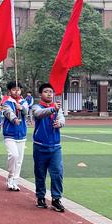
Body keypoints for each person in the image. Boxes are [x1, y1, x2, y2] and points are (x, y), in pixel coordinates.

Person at [32, 83, 66, 212]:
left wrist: (60, 123)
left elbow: (62, 118)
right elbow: (39, 114)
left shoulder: (57, 108)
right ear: (41, 94)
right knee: (40, 173)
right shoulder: (36, 107)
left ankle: (56, 199)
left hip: (55, 147)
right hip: (40, 146)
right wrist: (53, 109)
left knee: (57, 173)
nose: (49, 94)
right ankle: (40, 197)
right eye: (46, 91)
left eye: (51, 92)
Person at [2, 81, 28, 192]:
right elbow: (8, 113)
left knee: (19, 160)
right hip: (10, 134)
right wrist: (14, 119)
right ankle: (10, 176)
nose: (16, 91)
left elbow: (26, 112)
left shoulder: (24, 102)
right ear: (9, 91)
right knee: (13, 155)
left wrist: (21, 108)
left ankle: (15, 181)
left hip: (21, 134)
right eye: (13, 89)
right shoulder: (6, 102)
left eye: (18, 89)